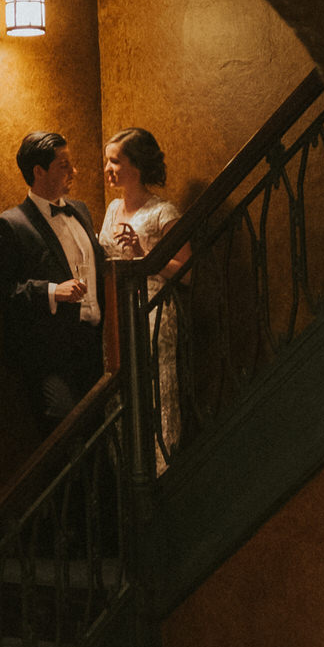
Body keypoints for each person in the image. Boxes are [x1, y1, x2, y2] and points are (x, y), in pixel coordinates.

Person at [0, 131, 109, 434]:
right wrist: (52, 291)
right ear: (39, 171)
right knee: (63, 430)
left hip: (94, 347)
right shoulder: (10, 226)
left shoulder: (82, 211)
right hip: (50, 356)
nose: (74, 171)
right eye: (64, 165)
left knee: (100, 431)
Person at [100, 128, 188, 460]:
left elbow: (187, 271)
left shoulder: (163, 212)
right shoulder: (111, 210)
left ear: (135, 166)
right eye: (107, 161)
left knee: (154, 388)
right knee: (120, 391)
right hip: (117, 311)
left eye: (115, 161)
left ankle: (164, 464)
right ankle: (126, 466)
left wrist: (145, 257)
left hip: (152, 309)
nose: (108, 168)